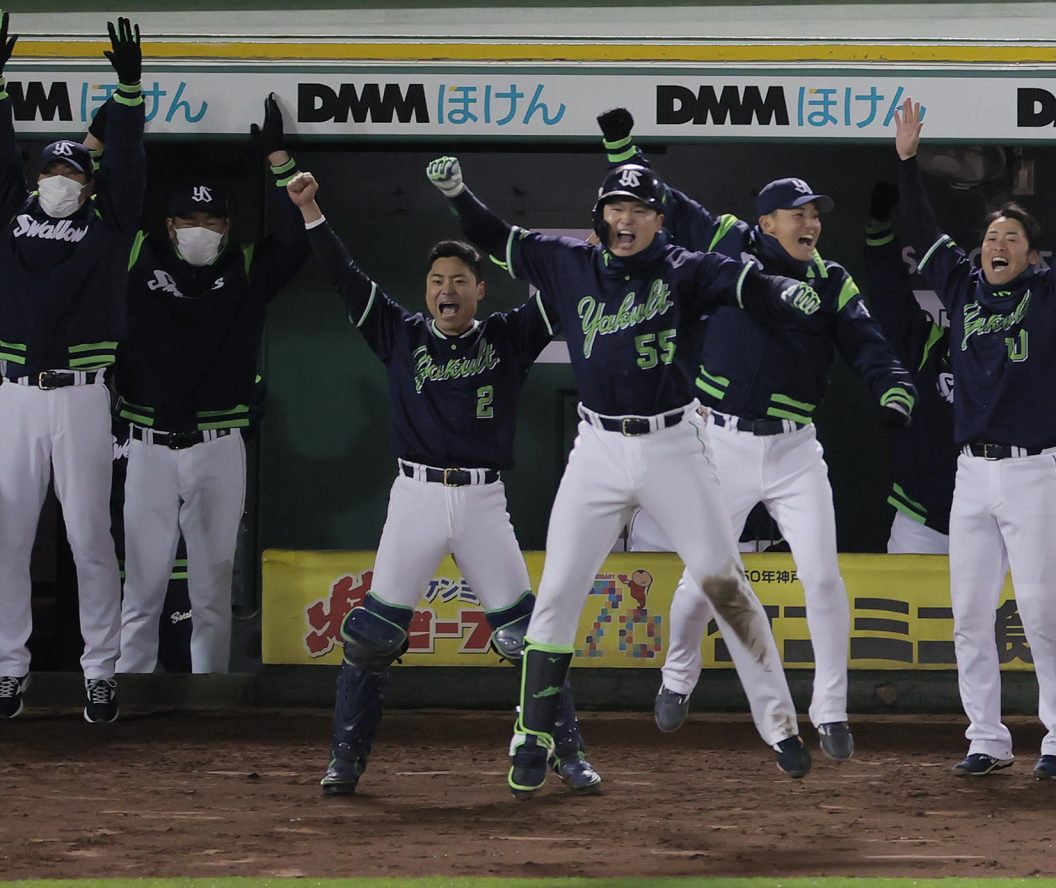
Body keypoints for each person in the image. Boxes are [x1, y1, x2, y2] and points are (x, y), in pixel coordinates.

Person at [426, 155, 825, 795]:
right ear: (601, 215)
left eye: (640, 209)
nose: (627, 218)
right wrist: (457, 194)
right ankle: (530, 735)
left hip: (674, 444)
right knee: (556, 593)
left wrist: (786, 289)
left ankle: (780, 725)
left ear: (658, 220)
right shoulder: (568, 262)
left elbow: (745, 282)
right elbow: (498, 239)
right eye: (617, 207)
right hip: (599, 448)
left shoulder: (681, 269)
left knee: (726, 584)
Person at [592, 109, 917, 761]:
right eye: (797, 214)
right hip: (721, 443)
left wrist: (893, 387)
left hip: (795, 448)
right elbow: (666, 206)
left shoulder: (831, 281)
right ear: (767, 223)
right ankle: (677, 677)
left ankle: (830, 712)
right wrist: (622, 148)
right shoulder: (730, 244)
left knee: (823, 579)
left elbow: (868, 344)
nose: (811, 223)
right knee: (703, 582)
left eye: (815, 214)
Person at [285, 171, 601, 797]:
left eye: (459, 280)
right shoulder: (399, 334)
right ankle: (344, 761)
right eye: (436, 281)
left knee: (530, 637)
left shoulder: (509, 334)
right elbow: (346, 278)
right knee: (371, 638)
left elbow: (562, 289)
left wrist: (597, 247)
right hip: (416, 499)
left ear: (481, 289)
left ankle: (567, 753)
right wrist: (310, 208)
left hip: (483, 502)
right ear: (425, 291)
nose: (446, 289)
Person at [892, 95, 1056, 779]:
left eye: (1011, 239)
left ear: (1033, 254)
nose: (996, 246)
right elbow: (919, 226)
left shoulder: (1049, 292)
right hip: (971, 474)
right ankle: (986, 736)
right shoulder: (961, 288)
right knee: (970, 616)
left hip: (1036, 469)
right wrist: (909, 161)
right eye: (990, 238)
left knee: (1040, 612)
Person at [112, 94, 308, 675]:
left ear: (227, 227)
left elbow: (300, 238)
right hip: (146, 446)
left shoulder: (245, 268)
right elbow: (113, 204)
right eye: (188, 221)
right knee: (141, 590)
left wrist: (279, 159)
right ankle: (128, 692)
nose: (200, 230)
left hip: (220, 446)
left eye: (212, 221)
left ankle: (210, 706)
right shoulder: (138, 258)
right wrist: (121, 126)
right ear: (168, 227)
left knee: (210, 592)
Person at [0, 15, 143, 722]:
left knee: (90, 532)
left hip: (84, 395)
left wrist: (127, 92)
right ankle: (8, 669)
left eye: (73, 173)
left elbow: (129, 166)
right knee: (9, 534)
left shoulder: (105, 227)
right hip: (15, 393)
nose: (61, 180)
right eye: (51, 170)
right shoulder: (13, 216)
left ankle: (100, 670)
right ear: (37, 177)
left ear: (89, 186)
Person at [858, 182, 958, 554]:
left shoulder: (1019, 351)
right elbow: (890, 299)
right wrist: (880, 230)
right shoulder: (930, 343)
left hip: (997, 518)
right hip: (922, 518)